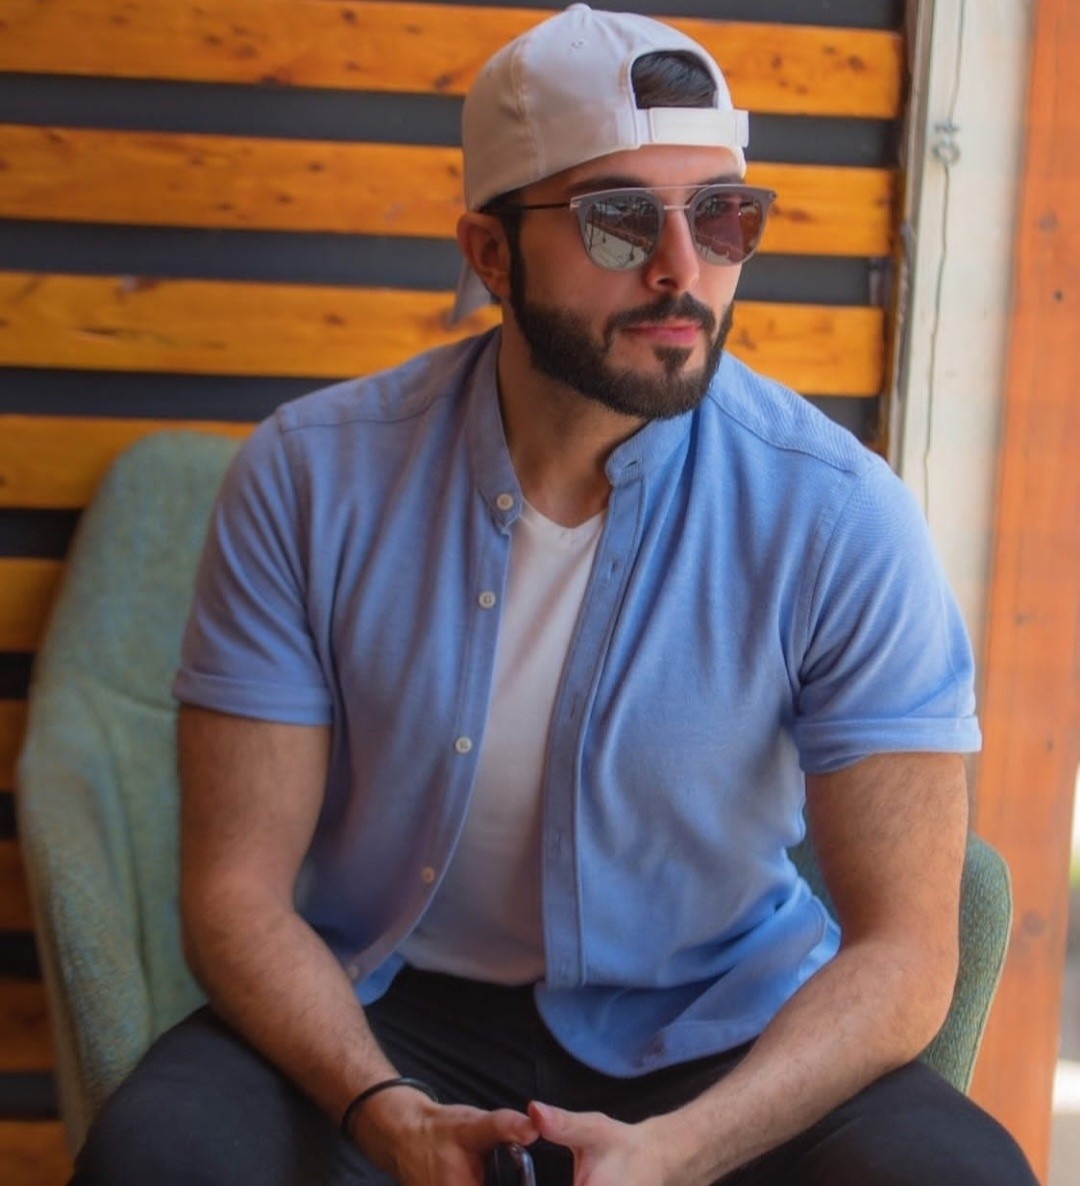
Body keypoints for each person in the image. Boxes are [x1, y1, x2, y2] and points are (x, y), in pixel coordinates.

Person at [72, 6, 1037, 1185]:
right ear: (489, 252)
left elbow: (908, 947)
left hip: (716, 1024)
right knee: (158, 1160)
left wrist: (681, 1151)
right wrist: (381, 1111)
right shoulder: (307, 478)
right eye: (619, 219)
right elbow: (235, 890)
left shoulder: (840, 514)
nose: (682, 267)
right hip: (381, 1009)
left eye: (722, 216)